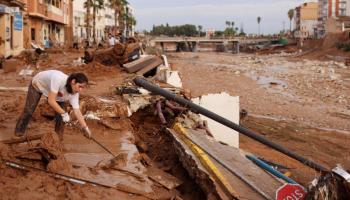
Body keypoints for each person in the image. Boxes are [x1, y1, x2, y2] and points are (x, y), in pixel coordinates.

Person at [15, 70, 92, 139]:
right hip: (38, 85)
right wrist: (64, 113)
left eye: (83, 87)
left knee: (61, 118)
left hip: (56, 94)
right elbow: (51, 101)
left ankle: (58, 139)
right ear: (73, 81)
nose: (80, 90)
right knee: (29, 110)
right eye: (80, 86)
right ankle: (19, 132)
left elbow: (77, 111)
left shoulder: (75, 93)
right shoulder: (58, 79)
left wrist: (85, 127)